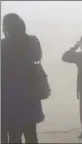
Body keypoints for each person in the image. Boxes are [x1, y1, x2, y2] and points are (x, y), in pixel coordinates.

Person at [1, 13, 45, 143]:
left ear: (5, 28)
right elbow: (37, 60)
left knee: (14, 137)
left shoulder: (3, 46)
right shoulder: (33, 41)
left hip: (9, 101)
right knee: (31, 135)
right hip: (30, 97)